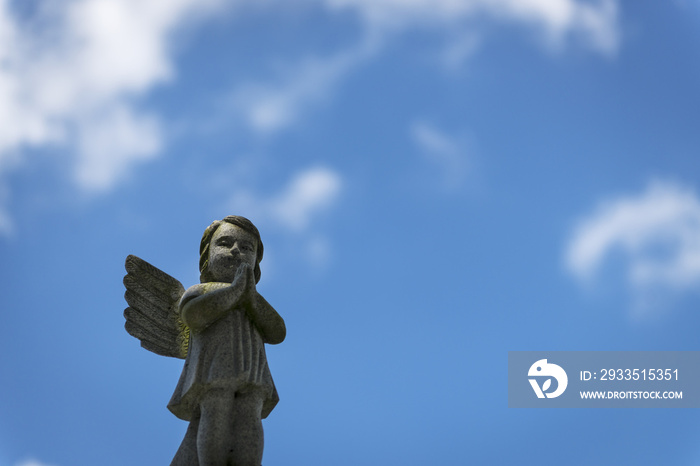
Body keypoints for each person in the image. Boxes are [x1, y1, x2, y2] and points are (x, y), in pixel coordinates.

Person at [168, 216, 286, 466]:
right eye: (225, 243)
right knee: (216, 408)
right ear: (207, 256)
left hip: (252, 370)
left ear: (255, 262)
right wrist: (234, 293)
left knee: (250, 412)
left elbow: (277, 332)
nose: (236, 251)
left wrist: (250, 297)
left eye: (246, 248)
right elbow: (194, 315)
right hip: (213, 368)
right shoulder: (201, 290)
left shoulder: (252, 298)